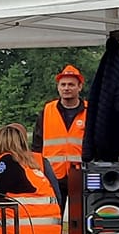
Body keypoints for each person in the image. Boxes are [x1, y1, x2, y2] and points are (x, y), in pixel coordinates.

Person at [34, 64, 87, 215]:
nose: (66, 88)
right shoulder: (47, 111)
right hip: (52, 173)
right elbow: (37, 144)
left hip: (81, 172)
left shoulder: (90, 111)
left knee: (82, 216)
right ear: (58, 87)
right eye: (63, 84)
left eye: (71, 84)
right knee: (54, 213)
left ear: (80, 87)